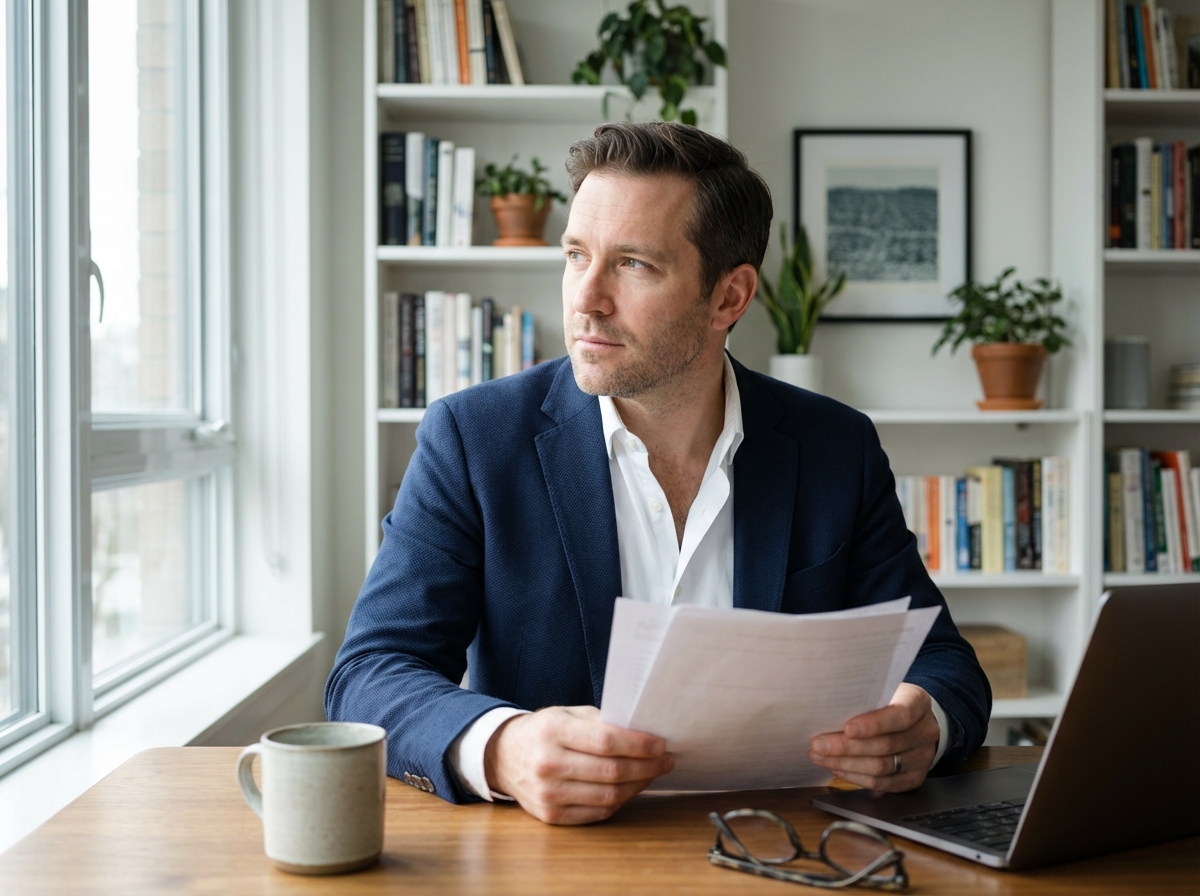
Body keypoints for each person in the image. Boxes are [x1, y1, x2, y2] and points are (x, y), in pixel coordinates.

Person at [326, 121, 991, 825]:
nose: (586, 298)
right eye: (576, 255)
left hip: (784, 844)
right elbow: (369, 674)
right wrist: (502, 748)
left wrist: (925, 722)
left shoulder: (835, 447)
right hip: (558, 854)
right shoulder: (473, 439)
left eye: (633, 264)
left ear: (729, 297)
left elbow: (942, 661)